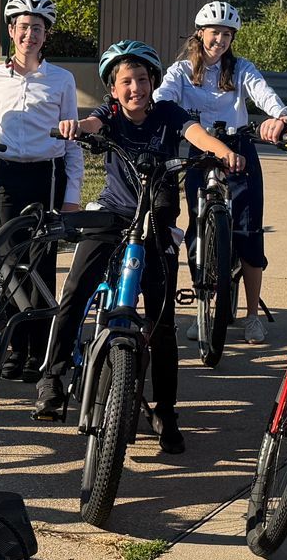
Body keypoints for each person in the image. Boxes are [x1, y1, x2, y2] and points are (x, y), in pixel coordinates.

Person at [37, 41, 244, 454]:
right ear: (113, 89)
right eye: (126, 82)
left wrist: (223, 151)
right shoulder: (109, 115)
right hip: (114, 215)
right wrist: (75, 127)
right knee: (76, 290)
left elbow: (195, 133)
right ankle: (53, 377)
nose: (136, 88)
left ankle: (166, 409)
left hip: (156, 220)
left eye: (143, 80)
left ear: (153, 83)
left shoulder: (167, 113)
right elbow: (92, 124)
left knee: (162, 324)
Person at [0, 0, 83, 378]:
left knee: (41, 263)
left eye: (38, 28)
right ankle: (14, 348)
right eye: (24, 27)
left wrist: (72, 196)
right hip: (5, 176)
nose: (30, 34)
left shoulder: (62, 79)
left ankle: (38, 351)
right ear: (12, 31)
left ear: (46, 35)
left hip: (45, 176)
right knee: (10, 263)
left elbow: (72, 140)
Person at [154, 1, 287, 346]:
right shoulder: (182, 70)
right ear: (200, 33)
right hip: (202, 148)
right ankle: (202, 301)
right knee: (198, 226)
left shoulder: (241, 68)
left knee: (248, 229)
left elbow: (264, 94)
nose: (220, 39)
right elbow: (162, 97)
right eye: (214, 32)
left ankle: (252, 317)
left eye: (227, 34)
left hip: (239, 149)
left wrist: (279, 116)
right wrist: (161, 108)